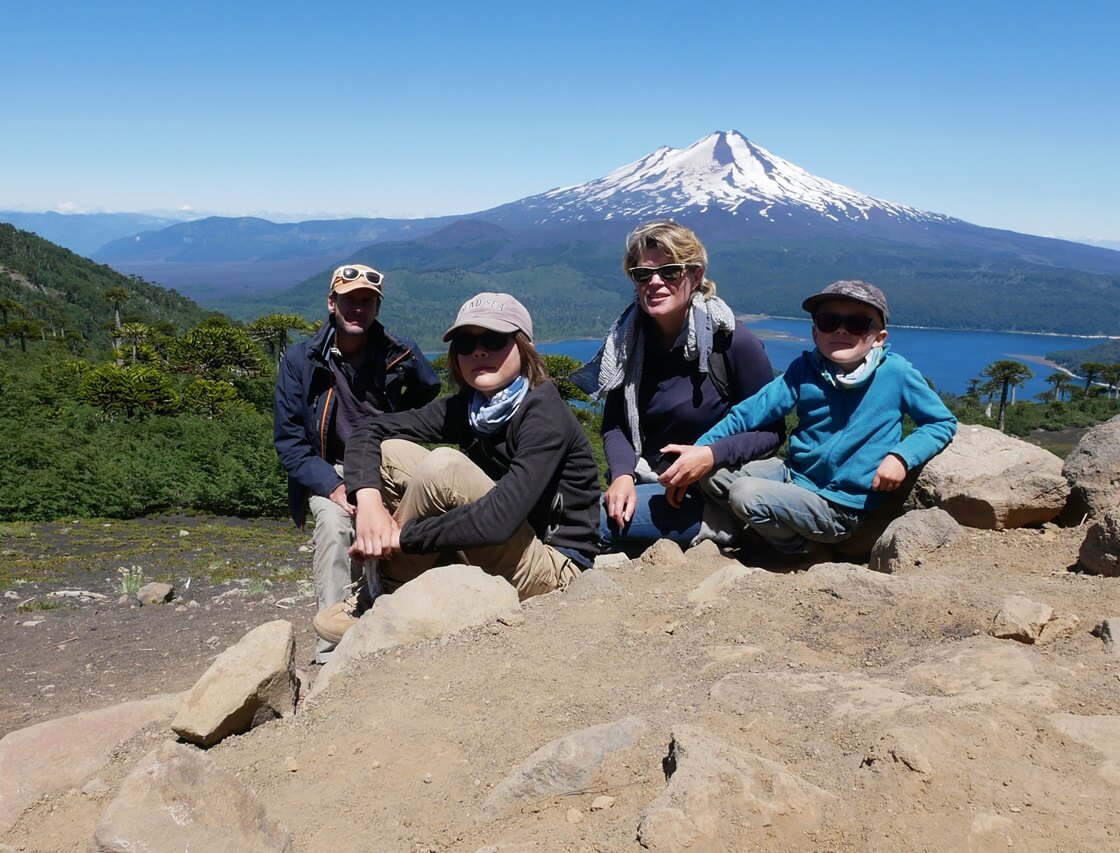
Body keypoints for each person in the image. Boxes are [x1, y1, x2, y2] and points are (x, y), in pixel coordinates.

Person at [316, 292, 599, 639]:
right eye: (466, 342)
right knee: (390, 451)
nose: (479, 351)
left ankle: (384, 590)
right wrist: (370, 503)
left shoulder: (544, 415)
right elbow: (368, 431)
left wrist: (400, 538)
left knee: (444, 466)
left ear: (524, 346)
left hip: (555, 567)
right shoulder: (472, 407)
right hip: (497, 548)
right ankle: (392, 580)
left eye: (494, 339)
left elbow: (498, 521)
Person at [662, 280, 957, 558]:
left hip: (841, 504)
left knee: (744, 493)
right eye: (829, 322)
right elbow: (749, 412)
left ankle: (802, 552)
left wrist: (901, 457)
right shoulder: (806, 369)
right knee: (709, 468)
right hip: (794, 478)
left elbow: (940, 422)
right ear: (816, 332)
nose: (841, 331)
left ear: (878, 338)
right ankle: (742, 530)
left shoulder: (896, 374)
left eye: (856, 324)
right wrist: (701, 450)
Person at [574, 220, 782, 549]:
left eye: (670, 272)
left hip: (713, 493)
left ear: (695, 276)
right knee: (562, 509)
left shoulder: (731, 342)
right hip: (652, 480)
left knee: (584, 525)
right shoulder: (628, 342)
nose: (654, 282)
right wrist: (622, 475)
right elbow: (615, 425)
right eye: (642, 274)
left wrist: (710, 454)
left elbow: (772, 430)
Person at [274, 264, 440, 662]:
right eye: (349, 301)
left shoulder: (396, 353)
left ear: (377, 307)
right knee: (333, 527)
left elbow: (430, 388)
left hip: (384, 462)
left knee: (413, 520)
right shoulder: (301, 361)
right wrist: (332, 487)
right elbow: (290, 442)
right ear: (332, 304)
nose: (357, 309)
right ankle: (334, 648)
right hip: (328, 468)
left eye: (367, 302)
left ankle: (405, 623)